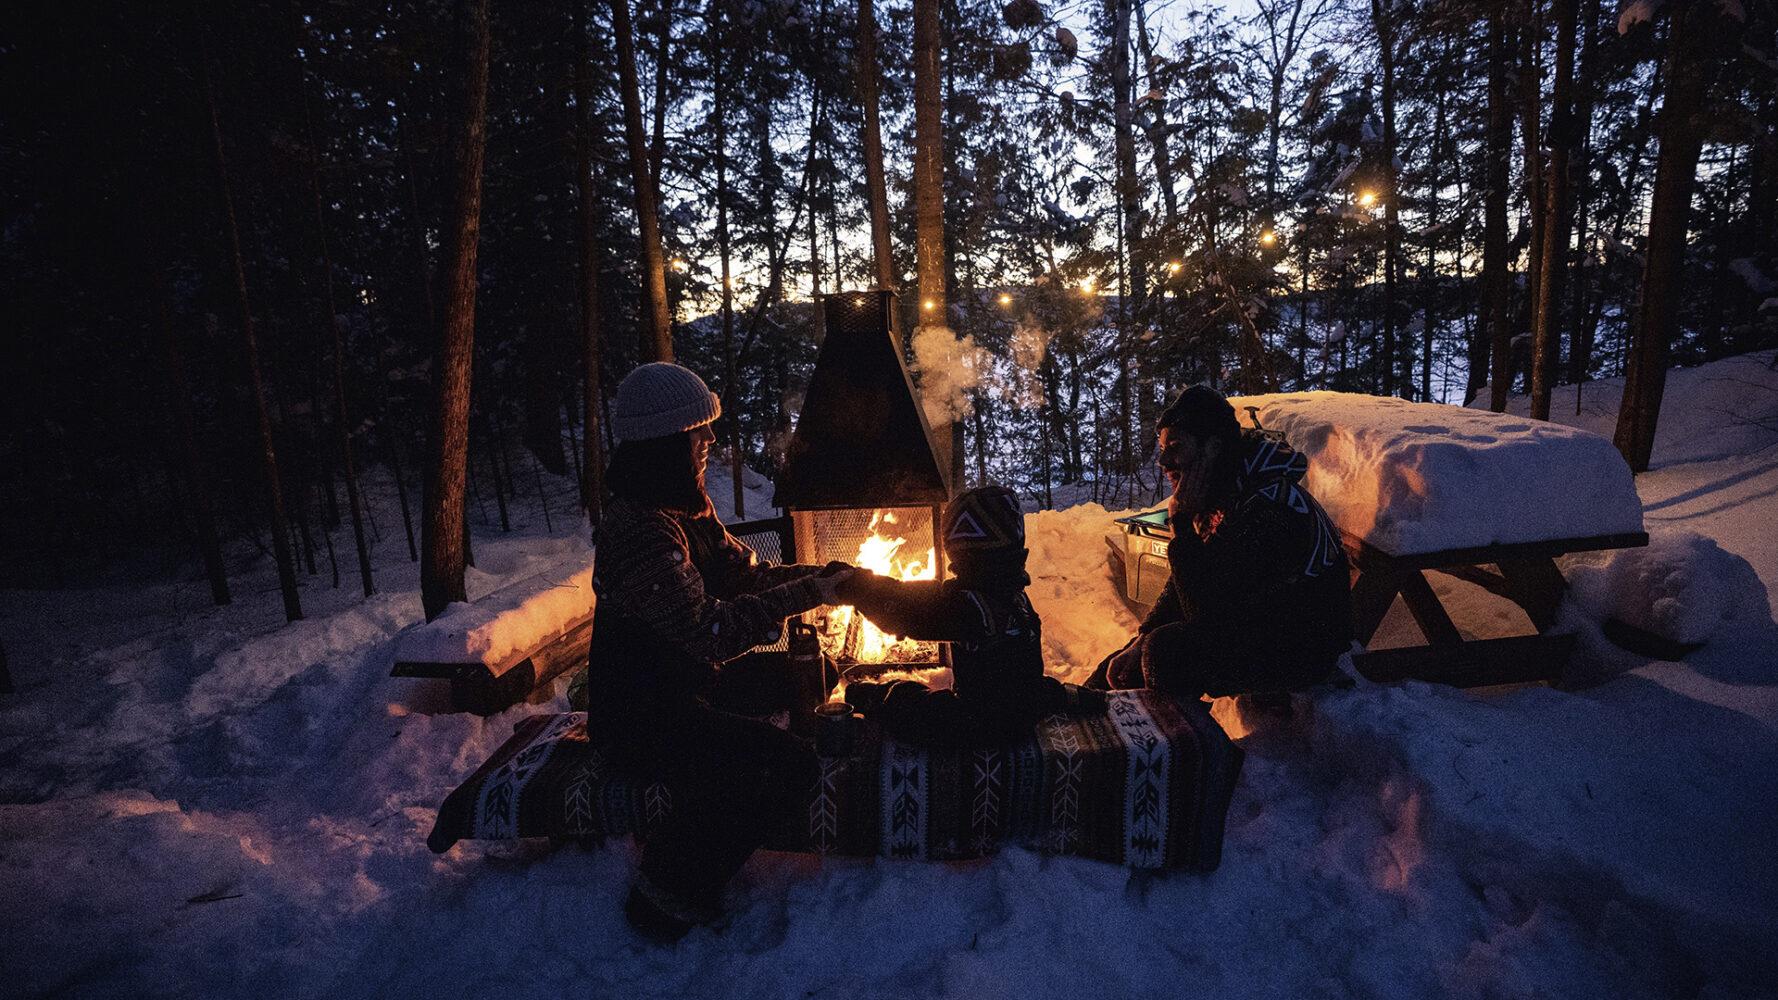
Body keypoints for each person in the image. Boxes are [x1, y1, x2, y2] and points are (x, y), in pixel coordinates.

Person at [580, 362, 853, 943]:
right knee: (786, 763)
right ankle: (666, 893)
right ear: (667, 441)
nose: (710, 440)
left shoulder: (686, 505)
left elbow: (744, 577)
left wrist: (832, 579)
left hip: (686, 684)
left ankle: (724, 751)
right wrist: (811, 593)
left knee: (812, 672)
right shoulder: (640, 530)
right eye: (698, 431)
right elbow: (711, 632)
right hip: (641, 717)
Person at [1089, 385, 1352, 699]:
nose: (1163, 461)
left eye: (1175, 446)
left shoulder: (1271, 508)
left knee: (1167, 651)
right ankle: (1077, 716)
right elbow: (1191, 583)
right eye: (1162, 448)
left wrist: (1182, 526)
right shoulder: (1222, 491)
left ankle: (1182, 739)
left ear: (1212, 447)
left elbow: (1209, 620)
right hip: (1252, 625)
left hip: (1301, 647)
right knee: (1124, 664)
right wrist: (1140, 639)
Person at [836, 485, 1103, 749]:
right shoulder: (1012, 593)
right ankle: (1071, 696)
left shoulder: (971, 607)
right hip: (1022, 709)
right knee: (1031, 688)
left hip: (981, 723)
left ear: (964, 554)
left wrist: (857, 588)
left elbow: (906, 610)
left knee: (910, 704)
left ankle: (868, 697)